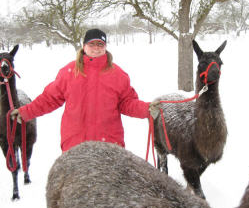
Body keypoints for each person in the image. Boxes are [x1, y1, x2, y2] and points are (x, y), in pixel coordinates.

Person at [11, 28, 160, 152]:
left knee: (108, 187)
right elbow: (49, 99)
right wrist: (25, 112)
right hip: (75, 144)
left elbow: (127, 102)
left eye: (100, 44)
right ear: (84, 46)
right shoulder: (69, 72)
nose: (96, 48)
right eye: (92, 44)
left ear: (105, 46)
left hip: (109, 145)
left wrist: (146, 109)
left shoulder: (118, 74)